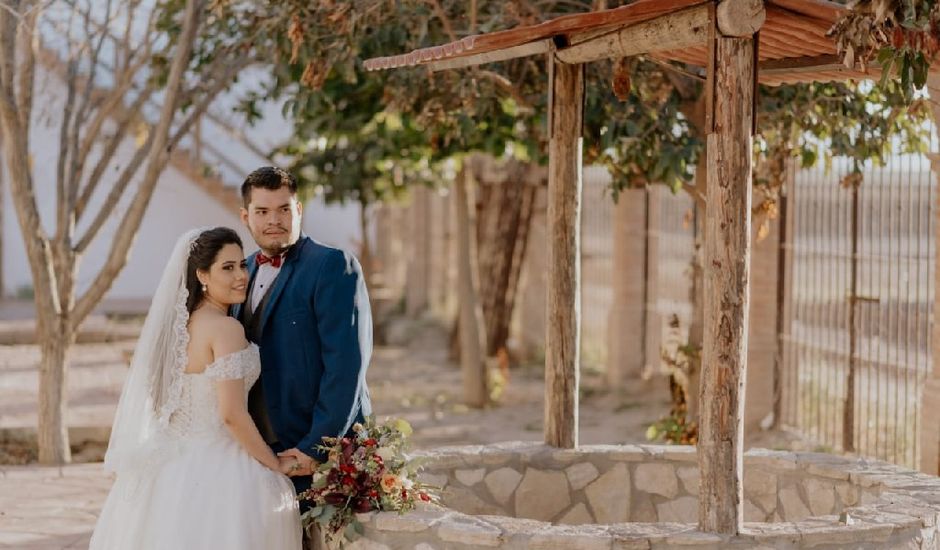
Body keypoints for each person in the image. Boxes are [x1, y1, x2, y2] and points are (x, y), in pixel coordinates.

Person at [89, 227, 302, 550]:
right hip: (219, 461)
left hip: (167, 464)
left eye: (241, 265)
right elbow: (231, 415)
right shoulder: (226, 329)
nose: (241, 275)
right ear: (202, 274)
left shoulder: (177, 332)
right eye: (226, 268)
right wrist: (275, 465)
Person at [234, 166, 372, 506]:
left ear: (299, 210)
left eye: (284, 209)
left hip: (314, 452)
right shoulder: (242, 270)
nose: (274, 220)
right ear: (245, 216)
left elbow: (345, 367)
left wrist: (316, 448)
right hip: (259, 453)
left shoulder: (333, 265)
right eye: (262, 211)